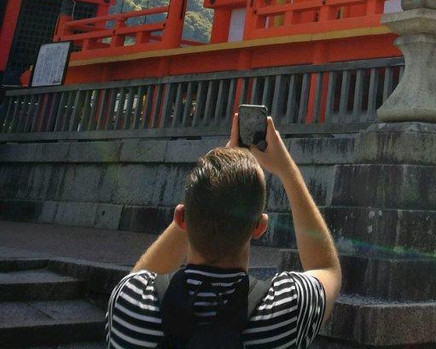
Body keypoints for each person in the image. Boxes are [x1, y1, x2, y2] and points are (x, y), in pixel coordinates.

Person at [106, 113, 341, 347]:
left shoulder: (129, 303)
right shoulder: (285, 311)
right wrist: (287, 170)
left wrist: (210, 182)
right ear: (260, 226)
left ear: (181, 217)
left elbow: (140, 274)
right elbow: (326, 268)